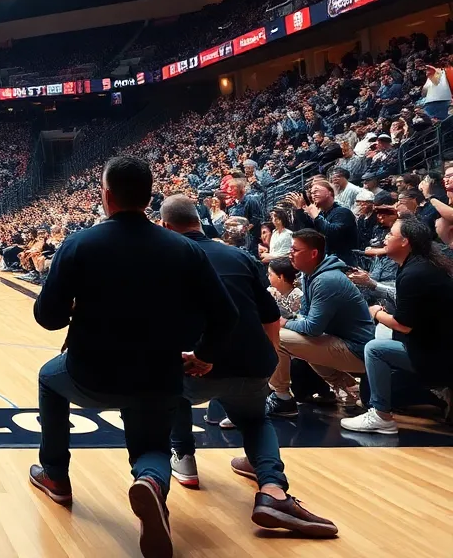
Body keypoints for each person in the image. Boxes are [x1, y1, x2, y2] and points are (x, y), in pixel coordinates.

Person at [30, 157, 238, 558]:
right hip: (158, 374)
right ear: (148, 196)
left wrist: (74, 306)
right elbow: (226, 315)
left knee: (48, 379)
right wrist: (204, 355)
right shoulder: (184, 248)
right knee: (151, 448)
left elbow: (48, 318)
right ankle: (151, 483)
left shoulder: (79, 244)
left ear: (107, 196)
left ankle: (55, 475)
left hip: (91, 373)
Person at [159, 197, 338, 537]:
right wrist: (269, 354)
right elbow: (270, 315)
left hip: (195, 365)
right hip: (251, 363)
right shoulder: (238, 256)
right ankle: (273, 490)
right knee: (256, 421)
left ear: (166, 227)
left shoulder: (163, 260)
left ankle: (184, 458)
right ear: (198, 220)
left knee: (171, 394)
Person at [341, 216, 453, 434]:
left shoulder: (415, 273)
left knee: (375, 349)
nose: (385, 238)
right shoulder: (421, 265)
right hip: (435, 346)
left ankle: (381, 415)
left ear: (405, 241)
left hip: (438, 356)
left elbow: (403, 326)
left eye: (391, 234)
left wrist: (375, 312)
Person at [266, 229, 375, 417]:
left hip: (359, 351)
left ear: (313, 253)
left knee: (276, 334)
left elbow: (312, 328)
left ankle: (281, 396)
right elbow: (305, 317)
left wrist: (284, 322)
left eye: (295, 250)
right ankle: (348, 388)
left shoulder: (326, 280)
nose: (290, 254)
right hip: (345, 343)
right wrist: (292, 321)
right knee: (299, 341)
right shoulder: (310, 275)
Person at [286, 181, 358, 266]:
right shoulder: (323, 214)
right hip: (327, 261)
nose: (313, 194)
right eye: (312, 193)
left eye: (316, 191)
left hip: (342, 263)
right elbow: (310, 232)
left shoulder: (343, 212)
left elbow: (332, 234)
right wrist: (299, 209)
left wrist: (316, 217)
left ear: (330, 192)